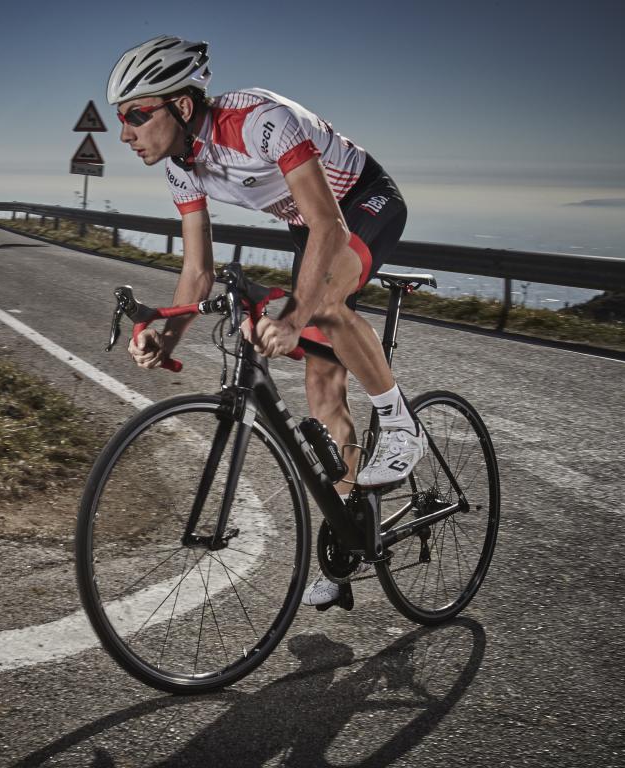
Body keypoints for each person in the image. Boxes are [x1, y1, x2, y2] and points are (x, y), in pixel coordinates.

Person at [107, 36, 426, 608]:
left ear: (181, 106)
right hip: (309, 223)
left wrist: (296, 313)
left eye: (135, 114)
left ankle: (402, 424)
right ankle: (347, 545)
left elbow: (329, 227)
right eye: (120, 119)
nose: (125, 132)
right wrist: (167, 330)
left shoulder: (259, 122)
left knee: (325, 307)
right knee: (325, 402)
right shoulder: (182, 168)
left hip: (362, 202)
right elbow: (197, 273)